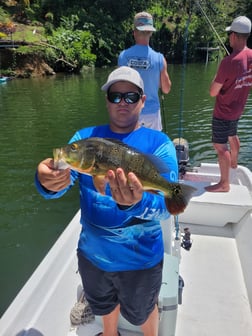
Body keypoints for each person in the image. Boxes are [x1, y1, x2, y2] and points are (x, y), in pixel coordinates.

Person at [35, 66, 178, 336]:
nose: (122, 102)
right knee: (102, 304)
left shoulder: (159, 144)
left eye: (131, 97)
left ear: (143, 100)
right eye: (115, 96)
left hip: (141, 261)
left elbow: (165, 209)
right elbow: (60, 184)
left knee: (143, 309)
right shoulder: (84, 139)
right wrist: (45, 182)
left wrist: (135, 203)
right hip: (93, 255)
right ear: (107, 100)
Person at [205, 16, 252, 192]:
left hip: (223, 112)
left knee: (220, 146)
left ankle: (224, 183)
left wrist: (220, 72)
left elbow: (212, 91)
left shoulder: (227, 62)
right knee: (233, 135)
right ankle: (234, 163)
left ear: (233, 35)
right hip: (238, 110)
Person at [118, 11, 171, 131]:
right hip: (152, 114)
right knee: (152, 147)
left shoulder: (123, 57)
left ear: (134, 32)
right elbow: (166, 89)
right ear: (151, 33)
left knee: (130, 146)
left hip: (129, 111)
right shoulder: (159, 59)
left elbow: (118, 87)